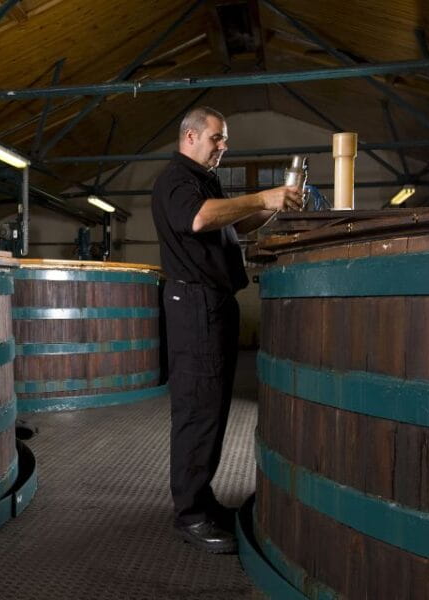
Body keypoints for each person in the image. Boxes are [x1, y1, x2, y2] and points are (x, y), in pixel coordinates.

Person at [151, 106, 301, 553]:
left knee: (211, 408)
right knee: (198, 410)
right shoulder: (176, 180)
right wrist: (262, 196)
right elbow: (199, 218)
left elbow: (228, 224)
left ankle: (201, 498)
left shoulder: (204, 180)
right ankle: (190, 514)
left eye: (224, 139)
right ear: (190, 136)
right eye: (217, 137)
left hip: (211, 302)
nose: (223, 146)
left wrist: (272, 206)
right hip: (195, 304)